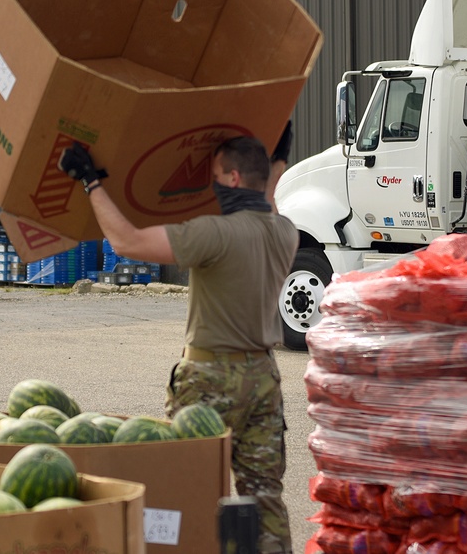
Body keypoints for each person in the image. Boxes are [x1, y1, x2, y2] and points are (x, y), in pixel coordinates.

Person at [58, 124, 297, 554]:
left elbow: (126, 240)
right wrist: (277, 160)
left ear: (233, 180)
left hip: (208, 380)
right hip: (263, 380)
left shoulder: (211, 234)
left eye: (216, 175)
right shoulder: (284, 233)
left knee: (189, 490)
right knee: (265, 497)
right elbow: (264, 200)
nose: (211, 183)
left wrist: (90, 181)